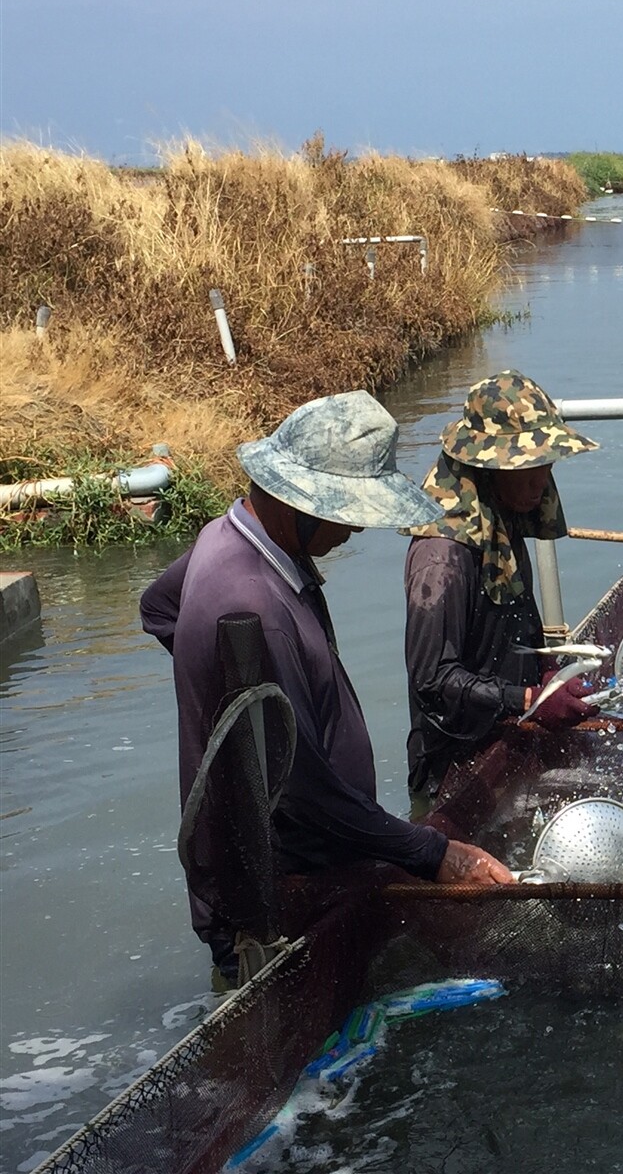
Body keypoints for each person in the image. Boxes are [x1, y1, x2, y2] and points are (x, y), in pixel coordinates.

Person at [140, 391, 512, 978]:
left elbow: (158, 608)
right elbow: (301, 793)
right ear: (298, 503)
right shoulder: (252, 610)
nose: (357, 525)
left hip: (323, 851)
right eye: (347, 509)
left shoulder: (226, 534)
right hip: (282, 894)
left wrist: (229, 698)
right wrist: (432, 851)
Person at [403, 372, 600, 794]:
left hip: (509, 737)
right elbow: (433, 680)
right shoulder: (442, 558)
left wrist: (548, 672)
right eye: (527, 467)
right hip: (456, 771)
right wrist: (529, 701)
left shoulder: (501, 518)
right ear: (486, 468)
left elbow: (516, 620)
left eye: (545, 465)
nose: (540, 482)